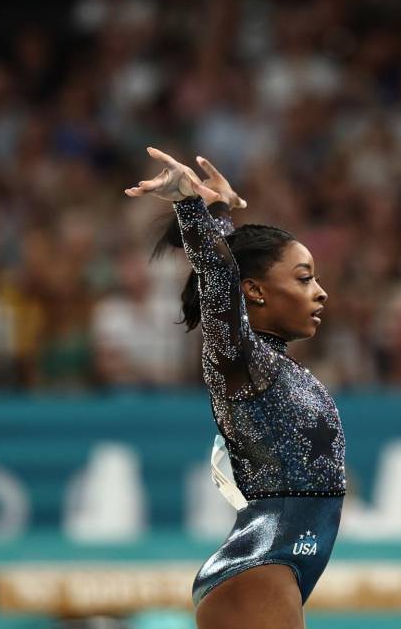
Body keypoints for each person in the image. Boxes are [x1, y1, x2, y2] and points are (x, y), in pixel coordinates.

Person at [125, 148, 345, 628]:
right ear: (256, 290)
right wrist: (191, 207)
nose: (320, 291)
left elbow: (230, 270)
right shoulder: (242, 364)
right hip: (262, 565)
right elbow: (221, 277)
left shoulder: (271, 366)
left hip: (276, 563)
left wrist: (220, 212)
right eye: (305, 278)